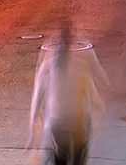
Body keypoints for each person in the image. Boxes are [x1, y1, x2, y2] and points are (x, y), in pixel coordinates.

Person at [29, 25, 109, 165]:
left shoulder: (47, 66)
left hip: (57, 123)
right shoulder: (81, 66)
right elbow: (94, 97)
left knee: (60, 156)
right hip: (78, 122)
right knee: (79, 154)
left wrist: (32, 130)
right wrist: (101, 118)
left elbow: (37, 97)